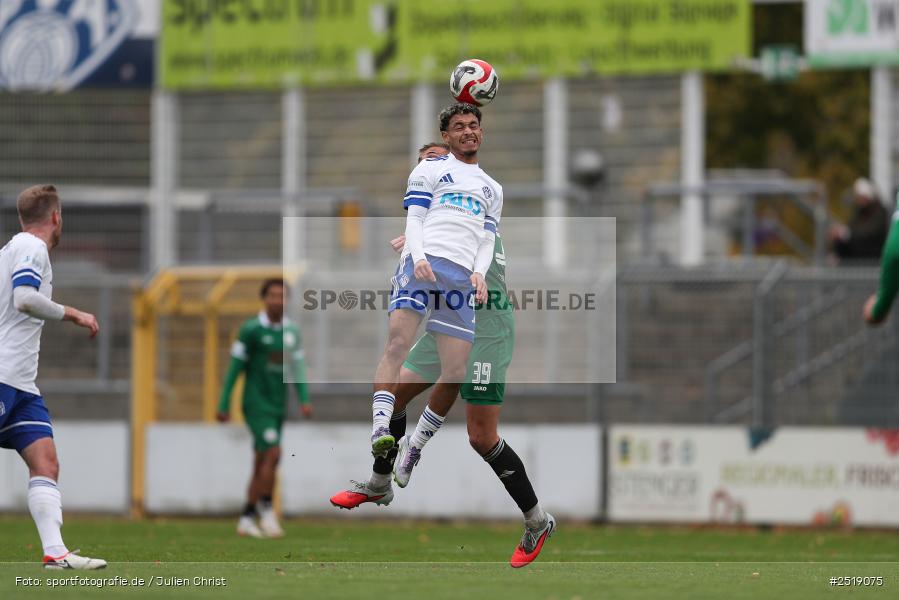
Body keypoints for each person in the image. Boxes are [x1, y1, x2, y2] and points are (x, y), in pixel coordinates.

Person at [331, 144, 555, 569]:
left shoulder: (471, 213)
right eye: (426, 164)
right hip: (447, 324)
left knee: (481, 437)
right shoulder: (431, 218)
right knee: (394, 395)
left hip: (488, 330)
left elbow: (467, 248)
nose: (433, 168)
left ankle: (536, 521)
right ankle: (380, 482)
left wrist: (417, 248)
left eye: (438, 160)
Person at [366, 103, 500, 472]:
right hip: (423, 265)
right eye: (459, 126)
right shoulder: (429, 168)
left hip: (460, 277)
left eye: (474, 125)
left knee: (455, 372)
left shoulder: (492, 188)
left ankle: (416, 443)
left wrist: (479, 272)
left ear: (481, 131)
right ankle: (380, 427)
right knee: (397, 342)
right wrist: (418, 256)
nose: (468, 131)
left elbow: (487, 238)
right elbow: (416, 218)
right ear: (447, 135)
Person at [0, 185, 106, 569]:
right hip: (3, 376)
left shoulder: (13, 249)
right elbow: (24, 298)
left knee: (45, 462)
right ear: (56, 217)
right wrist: (74, 313)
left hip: (21, 385)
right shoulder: (31, 248)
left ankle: (55, 552)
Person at [217, 278, 312, 538]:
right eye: (272, 295)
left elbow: (298, 369)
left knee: (262, 461)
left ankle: (247, 517)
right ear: (264, 299)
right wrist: (223, 402)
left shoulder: (291, 333)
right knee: (273, 453)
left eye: (282, 296)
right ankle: (268, 512)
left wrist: (304, 399)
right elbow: (235, 369)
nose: (277, 301)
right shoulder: (251, 330)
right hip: (255, 404)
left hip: (277, 405)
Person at [831, 178, 888, 263]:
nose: (860, 200)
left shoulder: (881, 213)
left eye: (862, 197)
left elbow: (870, 233)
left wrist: (847, 234)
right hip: (857, 262)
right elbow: (851, 229)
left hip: (873, 261)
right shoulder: (858, 212)